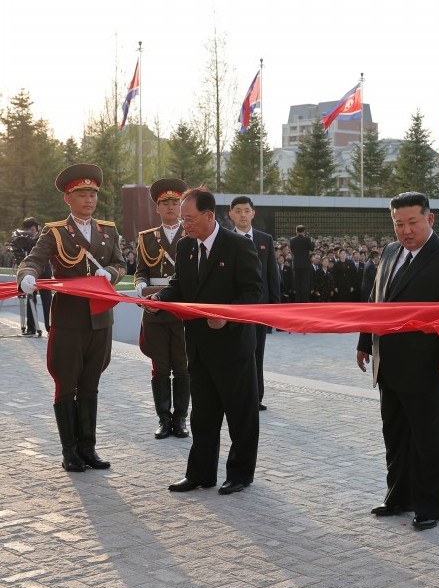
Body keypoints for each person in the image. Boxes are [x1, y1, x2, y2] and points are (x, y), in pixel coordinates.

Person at [356, 192, 439, 531]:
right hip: (388, 363)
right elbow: (375, 300)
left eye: (412, 222)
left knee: (429, 439)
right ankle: (398, 496)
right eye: (398, 224)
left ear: (429, 219)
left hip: (429, 367)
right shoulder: (390, 252)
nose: (405, 230)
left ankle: (429, 505)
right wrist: (364, 341)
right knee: (395, 435)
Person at [150, 187, 263, 495]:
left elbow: (253, 292)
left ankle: (240, 474)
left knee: (240, 415)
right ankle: (200, 474)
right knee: (203, 416)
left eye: (189, 218)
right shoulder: (186, 246)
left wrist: (227, 316)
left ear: (209, 216)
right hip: (198, 347)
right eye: (182, 219)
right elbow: (179, 284)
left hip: (232, 346)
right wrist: (159, 299)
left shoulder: (238, 245)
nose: (183, 224)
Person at [16, 164, 126, 472]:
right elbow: (33, 260)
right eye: (82, 194)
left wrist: (112, 273)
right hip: (69, 319)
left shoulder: (108, 230)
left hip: (100, 318)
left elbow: (120, 263)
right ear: (68, 198)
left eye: (93, 194)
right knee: (66, 383)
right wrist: (27, 276)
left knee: (91, 383)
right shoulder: (56, 232)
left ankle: (88, 449)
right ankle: (70, 452)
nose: (89, 200)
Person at [134, 178, 191, 439]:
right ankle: (163, 419)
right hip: (155, 308)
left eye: (175, 202)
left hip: (181, 308)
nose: (170, 207)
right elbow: (141, 271)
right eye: (165, 203)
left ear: (181, 206)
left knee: (182, 366)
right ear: (157, 208)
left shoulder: (191, 235)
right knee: (160, 366)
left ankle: (181, 419)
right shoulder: (146, 238)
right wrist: (140, 285)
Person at [228, 195, 280, 410]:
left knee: (257, 352)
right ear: (231, 215)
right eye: (238, 211)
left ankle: (256, 396)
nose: (243, 215)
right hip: (235, 308)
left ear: (253, 213)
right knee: (236, 353)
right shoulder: (224, 240)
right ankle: (236, 394)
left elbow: (272, 274)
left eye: (246, 211)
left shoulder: (264, 239)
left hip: (260, 308)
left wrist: (275, 308)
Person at [289, 224, 315, 302]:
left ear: (296, 231)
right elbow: (312, 248)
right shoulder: (307, 239)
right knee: (305, 284)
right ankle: (305, 301)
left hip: (296, 265)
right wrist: (312, 241)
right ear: (304, 231)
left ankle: (297, 301)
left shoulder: (292, 240)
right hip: (305, 265)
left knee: (297, 284)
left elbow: (292, 250)